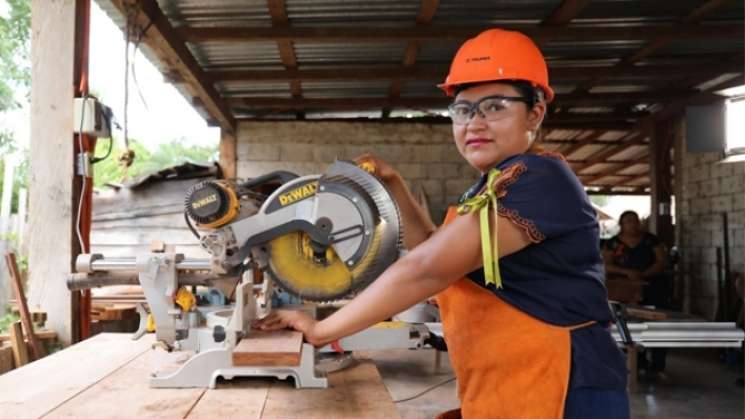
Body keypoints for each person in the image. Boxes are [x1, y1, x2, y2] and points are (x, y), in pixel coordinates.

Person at [255, 28, 629, 419]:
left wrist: (321, 331)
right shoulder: (492, 185)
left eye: (495, 106)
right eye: (464, 110)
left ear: (535, 113)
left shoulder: (538, 178)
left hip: (564, 387)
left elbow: (428, 268)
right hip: (514, 381)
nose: (475, 123)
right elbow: (435, 249)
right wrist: (394, 183)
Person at [603, 210, 669, 379]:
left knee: (657, 324)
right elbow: (605, 265)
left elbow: (662, 261)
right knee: (627, 325)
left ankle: (658, 366)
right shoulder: (612, 243)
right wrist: (626, 272)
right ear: (622, 224)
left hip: (652, 287)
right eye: (629, 221)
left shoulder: (651, 240)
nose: (633, 224)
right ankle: (635, 364)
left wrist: (644, 274)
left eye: (635, 221)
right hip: (624, 290)